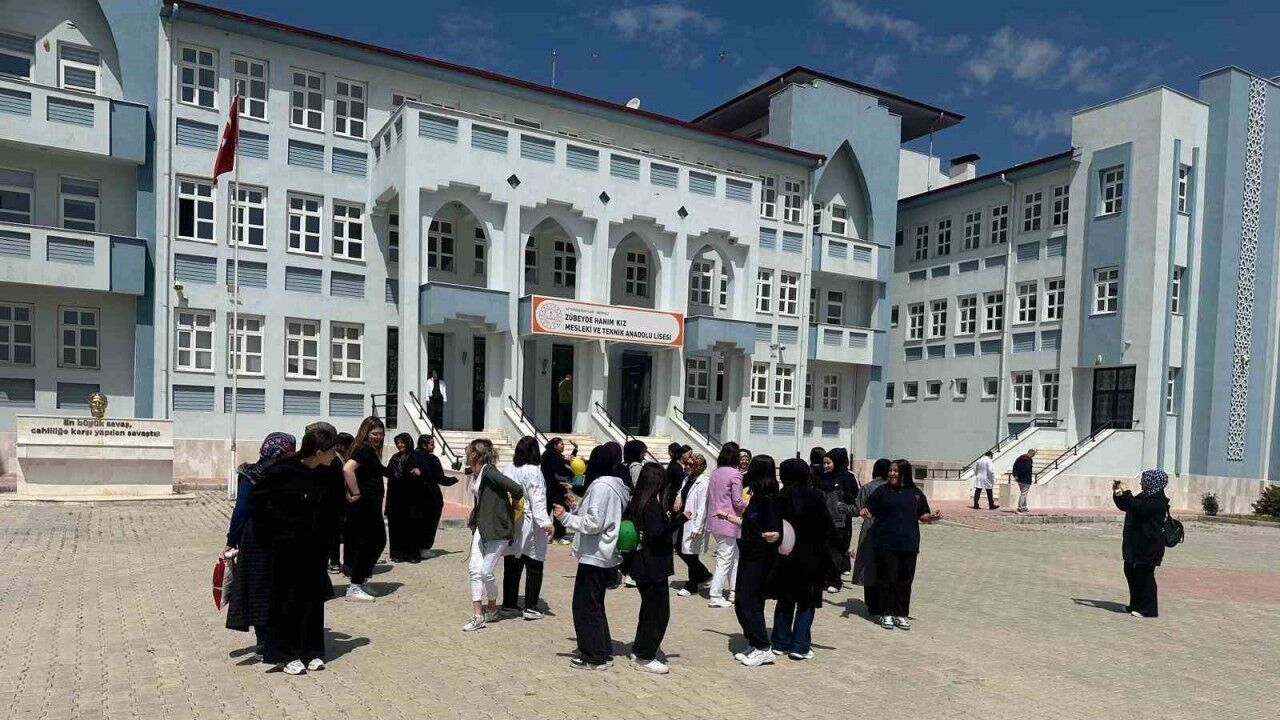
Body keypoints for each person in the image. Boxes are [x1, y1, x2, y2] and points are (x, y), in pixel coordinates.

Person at [249, 422, 343, 675]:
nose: (335, 455)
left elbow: (336, 506)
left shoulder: (330, 471)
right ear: (319, 452)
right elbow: (258, 507)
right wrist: (272, 537)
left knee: (313, 600)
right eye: (332, 451)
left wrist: (330, 539)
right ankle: (286, 654)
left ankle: (312, 651)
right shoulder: (282, 471)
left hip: (315, 549)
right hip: (286, 548)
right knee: (287, 601)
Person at [551, 446, 633, 670]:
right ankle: (602, 650)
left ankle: (594, 656)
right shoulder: (616, 485)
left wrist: (565, 518)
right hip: (604, 553)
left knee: (585, 606)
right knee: (595, 605)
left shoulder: (600, 486)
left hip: (595, 554)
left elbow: (594, 523)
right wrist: (576, 505)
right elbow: (602, 515)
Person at [224, 432, 296, 661]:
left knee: (259, 589)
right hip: (273, 537)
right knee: (273, 587)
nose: (294, 454)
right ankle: (273, 640)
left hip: (257, 537)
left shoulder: (251, 474)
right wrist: (231, 539)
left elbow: (241, 511)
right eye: (290, 450)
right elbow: (242, 510)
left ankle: (264, 642)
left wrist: (231, 541)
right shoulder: (287, 472)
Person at [715, 454, 781, 667]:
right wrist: (726, 516)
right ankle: (754, 642)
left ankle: (762, 647)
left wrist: (776, 535)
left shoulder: (769, 499)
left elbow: (775, 528)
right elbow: (750, 524)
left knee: (748, 601)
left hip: (759, 557)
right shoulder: (758, 497)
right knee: (744, 600)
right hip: (748, 552)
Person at [622, 462, 688, 674]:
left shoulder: (637, 502)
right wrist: (680, 520)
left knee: (648, 610)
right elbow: (658, 534)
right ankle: (645, 655)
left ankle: (640, 648)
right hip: (652, 566)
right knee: (658, 613)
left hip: (641, 564)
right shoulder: (651, 506)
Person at [861, 459, 942, 630]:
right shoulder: (882, 491)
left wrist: (931, 517)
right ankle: (886, 613)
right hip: (885, 543)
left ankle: (901, 614)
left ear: (904, 473)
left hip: (909, 544)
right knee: (887, 579)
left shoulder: (915, 493)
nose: (891, 473)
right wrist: (865, 512)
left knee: (905, 581)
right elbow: (868, 509)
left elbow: (922, 515)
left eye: (895, 471)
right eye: (890, 470)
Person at [769, 457, 836, 660]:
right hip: (811, 557)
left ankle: (780, 642)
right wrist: (842, 548)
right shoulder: (815, 496)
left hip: (784, 556)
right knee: (806, 602)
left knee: (785, 600)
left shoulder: (778, 497)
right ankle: (799, 646)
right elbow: (828, 527)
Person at [462, 439, 525, 632]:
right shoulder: (477, 472)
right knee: (474, 570)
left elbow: (517, 489)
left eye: (468, 451)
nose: (466, 454)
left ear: (476, 454)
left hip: (497, 530)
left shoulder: (489, 471)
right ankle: (478, 615)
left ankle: (492, 608)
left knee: (486, 572)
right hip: (482, 529)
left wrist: (507, 512)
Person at [501, 437, 553, 620]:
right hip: (530, 523)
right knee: (534, 563)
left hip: (512, 519)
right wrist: (545, 522)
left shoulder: (508, 468)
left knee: (512, 563)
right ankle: (531, 606)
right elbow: (537, 498)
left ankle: (509, 604)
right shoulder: (533, 471)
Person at [342, 417, 389, 601]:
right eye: (374, 433)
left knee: (372, 542)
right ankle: (355, 585)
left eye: (381, 434)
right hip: (365, 505)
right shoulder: (365, 449)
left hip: (370, 504)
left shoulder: (368, 450)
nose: (378, 437)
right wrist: (356, 492)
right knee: (374, 542)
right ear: (366, 433)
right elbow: (348, 469)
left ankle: (361, 581)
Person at [1113, 470, 1170, 618]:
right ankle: (1135, 605)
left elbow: (1137, 506)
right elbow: (1127, 505)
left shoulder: (1157, 501)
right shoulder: (1144, 496)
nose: (1141, 482)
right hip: (1135, 544)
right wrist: (1118, 493)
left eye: (1144, 480)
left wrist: (1127, 491)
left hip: (1149, 546)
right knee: (1130, 571)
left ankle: (1148, 609)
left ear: (1152, 482)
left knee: (1145, 576)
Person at [705, 442, 747, 608]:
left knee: (734, 556)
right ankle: (715, 595)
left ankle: (734, 591)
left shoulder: (715, 473)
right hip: (729, 521)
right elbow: (737, 501)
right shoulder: (735, 474)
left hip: (715, 520)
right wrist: (752, 504)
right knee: (725, 559)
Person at [852, 458, 891, 622]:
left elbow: (857, 508)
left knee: (869, 565)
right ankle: (884, 604)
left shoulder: (867, 488)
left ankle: (871, 604)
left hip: (869, 529)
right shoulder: (893, 488)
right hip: (889, 530)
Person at [820, 448, 859, 592]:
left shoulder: (848, 477)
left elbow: (856, 497)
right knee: (824, 550)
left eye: (828, 463)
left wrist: (843, 506)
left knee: (835, 552)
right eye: (824, 463)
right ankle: (824, 579)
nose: (825, 466)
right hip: (824, 520)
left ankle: (835, 581)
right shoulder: (823, 477)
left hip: (840, 521)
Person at [415, 434, 457, 557]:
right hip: (431, 497)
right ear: (424, 445)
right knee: (430, 523)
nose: (434, 447)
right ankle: (424, 549)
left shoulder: (411, 456)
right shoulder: (432, 459)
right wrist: (454, 479)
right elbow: (441, 479)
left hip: (414, 497)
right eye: (432, 444)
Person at [676, 452, 711, 597]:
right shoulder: (687, 479)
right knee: (680, 549)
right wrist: (678, 497)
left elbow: (703, 507)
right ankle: (704, 574)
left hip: (694, 522)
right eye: (686, 464)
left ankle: (692, 584)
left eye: (691, 464)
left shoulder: (704, 483)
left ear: (700, 467)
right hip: (684, 520)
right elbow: (682, 491)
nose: (687, 466)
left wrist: (697, 527)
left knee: (691, 553)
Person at [385, 433, 422, 562]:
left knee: (411, 526)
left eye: (402, 442)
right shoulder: (395, 457)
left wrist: (419, 471)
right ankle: (397, 554)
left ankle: (412, 554)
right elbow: (388, 472)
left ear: (408, 442)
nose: (400, 445)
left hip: (411, 497)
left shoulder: (416, 456)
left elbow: (426, 470)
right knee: (396, 526)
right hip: (395, 497)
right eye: (398, 443)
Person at [327, 432, 354, 574]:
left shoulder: (341, 458)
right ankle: (334, 562)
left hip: (340, 501)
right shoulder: (335, 459)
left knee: (337, 533)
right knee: (334, 534)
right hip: (334, 501)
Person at [542, 437, 573, 543]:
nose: (563, 446)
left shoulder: (549, 454)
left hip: (549, 488)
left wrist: (575, 450)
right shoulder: (554, 456)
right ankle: (557, 536)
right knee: (560, 511)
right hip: (556, 488)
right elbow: (560, 469)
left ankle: (547, 536)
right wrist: (571, 474)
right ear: (555, 446)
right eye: (561, 444)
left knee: (547, 512)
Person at [1012, 448, 1036, 513]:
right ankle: (1020, 507)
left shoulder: (1019, 458)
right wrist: (1022, 476)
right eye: (1033, 455)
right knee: (1023, 494)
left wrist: (1016, 475)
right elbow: (1026, 469)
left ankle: (1024, 506)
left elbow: (1014, 467)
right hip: (1026, 479)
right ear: (1031, 454)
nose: (1032, 457)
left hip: (1019, 479)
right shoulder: (1029, 460)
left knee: (1023, 493)